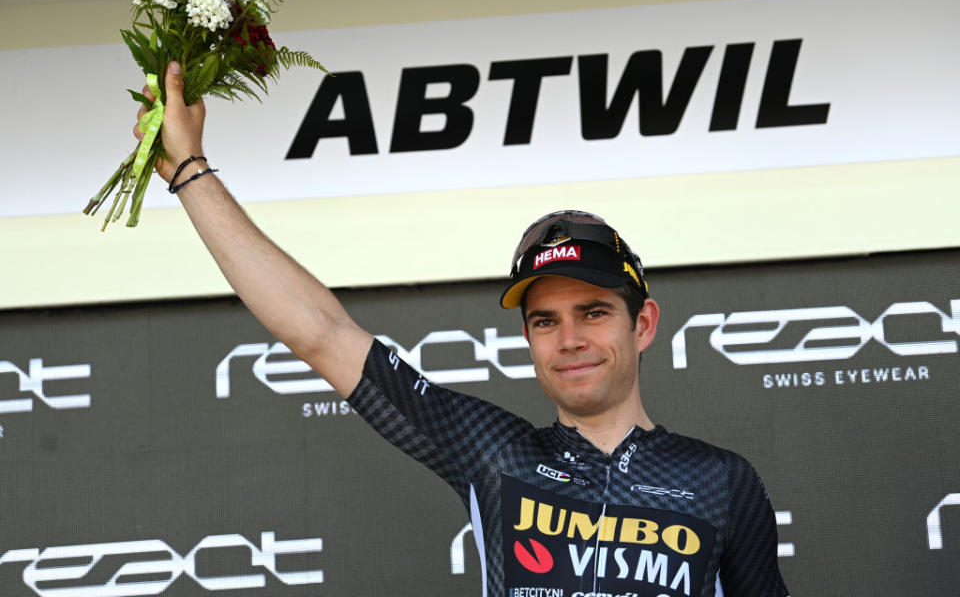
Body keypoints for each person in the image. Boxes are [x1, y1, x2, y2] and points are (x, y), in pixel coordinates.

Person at [138, 62, 790, 597]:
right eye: (545, 320)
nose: (570, 339)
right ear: (529, 338)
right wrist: (192, 171)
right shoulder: (496, 456)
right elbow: (323, 335)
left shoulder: (721, 480)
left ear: (642, 324)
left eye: (593, 312)